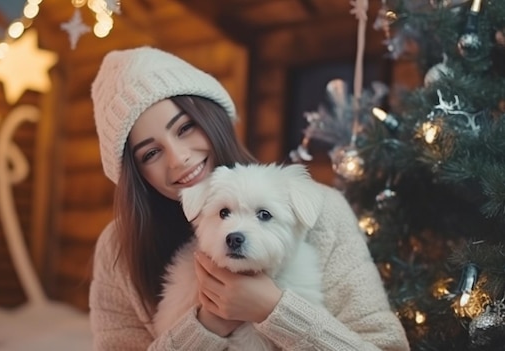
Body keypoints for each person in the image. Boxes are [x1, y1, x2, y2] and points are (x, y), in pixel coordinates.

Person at [88, 46, 410, 350]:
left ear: (214, 117)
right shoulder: (117, 248)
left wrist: (274, 310)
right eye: (151, 152)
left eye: (185, 128)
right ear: (135, 172)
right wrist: (209, 324)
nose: (179, 158)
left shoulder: (320, 211)